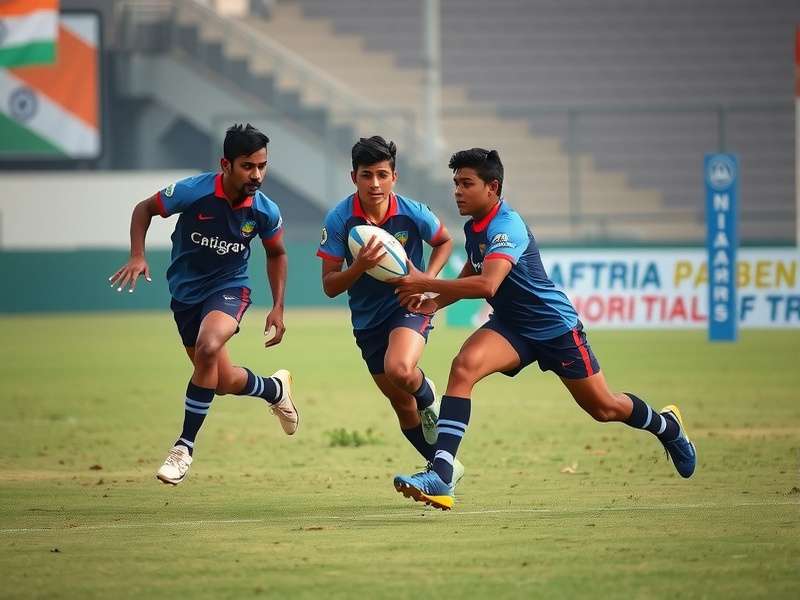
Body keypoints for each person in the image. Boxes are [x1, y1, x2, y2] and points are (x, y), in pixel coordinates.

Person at [390, 148, 696, 510]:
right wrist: (434, 301)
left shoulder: (507, 225)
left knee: (604, 408)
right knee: (463, 367)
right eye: (456, 183)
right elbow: (473, 272)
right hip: (512, 328)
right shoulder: (476, 226)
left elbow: (488, 285)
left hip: (556, 329)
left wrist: (426, 282)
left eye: (466, 183)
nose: (457, 190)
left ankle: (667, 427)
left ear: (493, 187)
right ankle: (442, 474)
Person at [108, 124, 299, 485]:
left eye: (262, 166)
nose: (257, 175)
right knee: (221, 380)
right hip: (185, 295)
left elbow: (277, 253)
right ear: (225, 164)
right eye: (248, 166)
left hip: (230, 289)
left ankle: (183, 447)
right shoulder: (192, 191)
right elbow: (144, 209)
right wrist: (137, 254)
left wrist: (278, 306)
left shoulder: (264, 210)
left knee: (209, 346)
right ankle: (274, 389)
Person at [316, 136, 464, 482]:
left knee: (399, 369)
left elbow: (444, 240)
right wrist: (358, 266)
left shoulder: (412, 212)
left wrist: (425, 280)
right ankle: (444, 470)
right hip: (367, 321)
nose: (375, 184)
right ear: (354, 177)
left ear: (394, 177)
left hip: (407, 306)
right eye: (367, 175)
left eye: (382, 174)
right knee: (401, 405)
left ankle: (429, 398)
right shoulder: (340, 219)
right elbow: (330, 286)